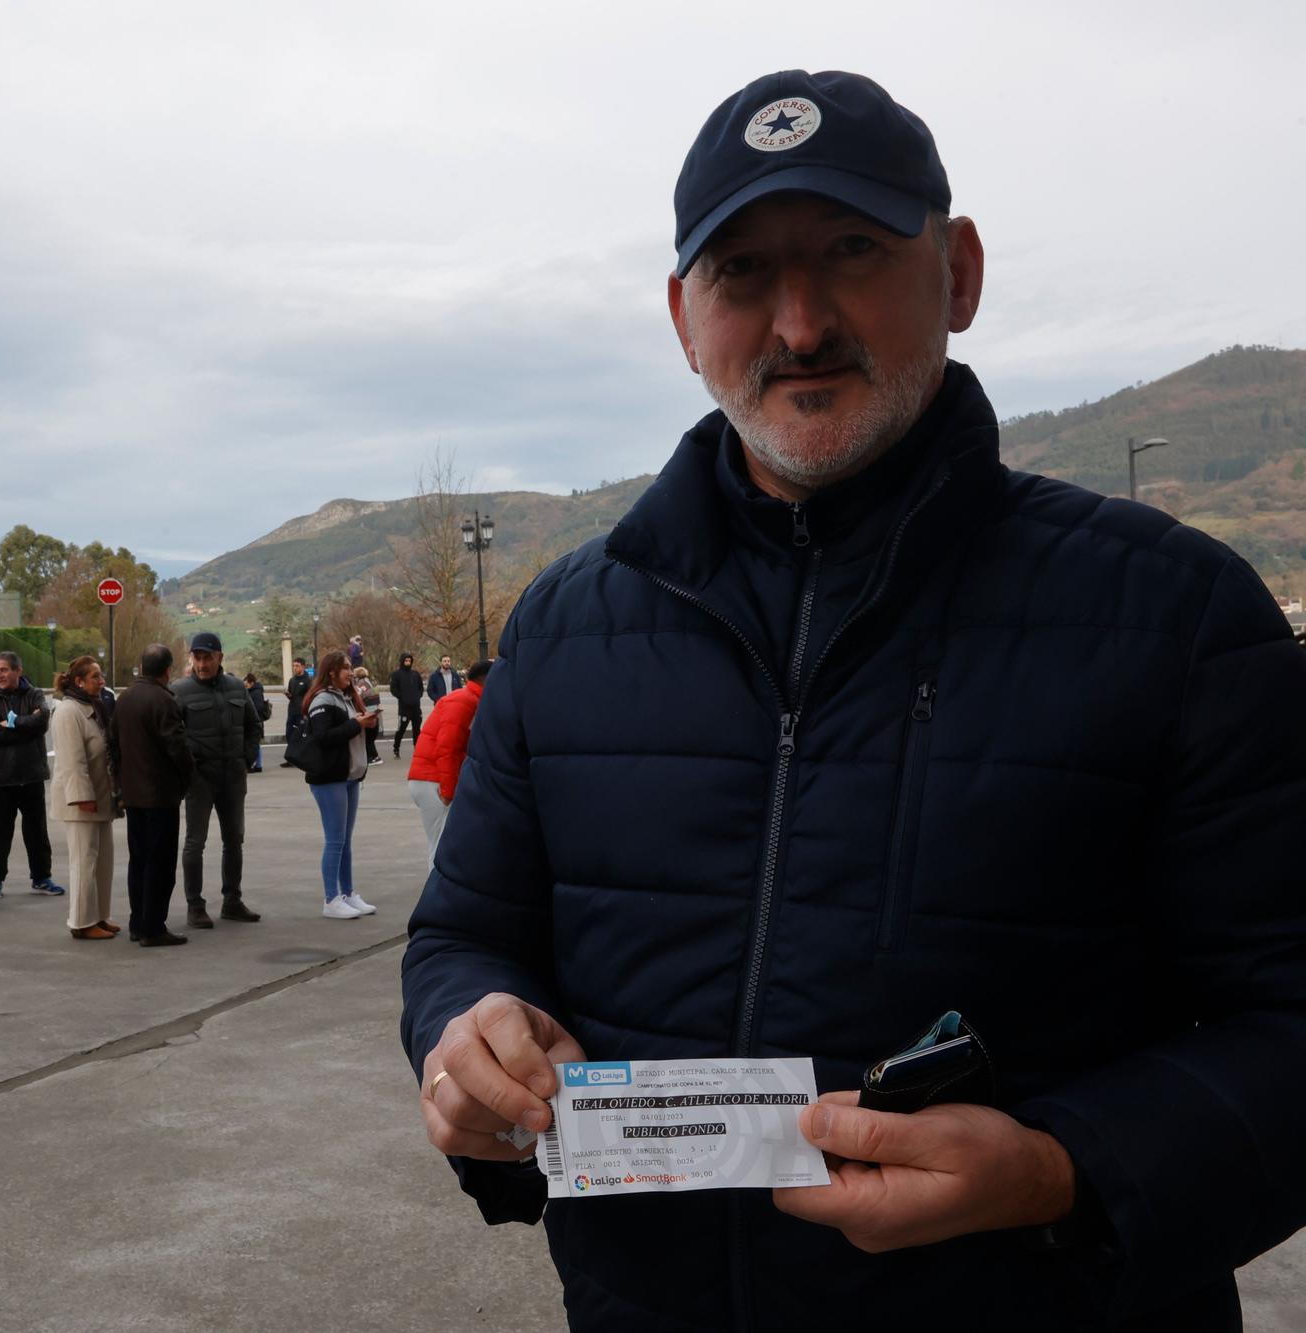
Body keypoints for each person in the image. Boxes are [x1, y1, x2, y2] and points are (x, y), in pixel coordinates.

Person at [399, 69, 1306, 1332]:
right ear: (679, 313)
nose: (799, 321)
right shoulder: (565, 626)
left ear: (960, 272)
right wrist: (458, 1036)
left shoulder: (1179, 618)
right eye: (740, 273)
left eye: (850, 251)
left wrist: (1061, 1171)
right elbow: (462, 931)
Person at [170, 630, 263, 930]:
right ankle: (195, 906)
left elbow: (253, 725)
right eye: (197, 658)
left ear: (219, 657)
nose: (201, 664)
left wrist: (246, 757)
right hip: (200, 780)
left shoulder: (237, 687)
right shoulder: (180, 691)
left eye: (207, 657)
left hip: (233, 778)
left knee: (234, 840)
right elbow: (172, 735)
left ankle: (232, 901)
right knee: (195, 842)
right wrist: (190, 766)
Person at [113, 643, 193, 947]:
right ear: (167, 670)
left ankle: (138, 922)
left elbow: (113, 742)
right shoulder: (164, 700)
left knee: (139, 860)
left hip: (133, 794)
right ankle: (153, 926)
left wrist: (121, 781)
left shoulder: (125, 698)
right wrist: (187, 777)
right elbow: (177, 747)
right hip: (160, 794)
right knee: (160, 864)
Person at [299, 651, 378, 920]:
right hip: (330, 777)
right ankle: (331, 898)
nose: (350, 671)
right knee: (335, 840)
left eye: (350, 667)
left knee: (344, 841)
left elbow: (356, 734)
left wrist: (369, 724)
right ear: (330, 671)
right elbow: (323, 737)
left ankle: (347, 893)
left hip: (350, 776)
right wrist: (355, 724)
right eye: (344, 668)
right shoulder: (322, 700)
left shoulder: (348, 697)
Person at [0, 651, 64, 900]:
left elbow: (43, 723)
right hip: (1, 778)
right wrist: (27, 724)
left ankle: (41, 878)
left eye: (4, 670)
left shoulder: (35, 694)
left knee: (37, 831)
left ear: (18, 670)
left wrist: (12, 724)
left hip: (31, 775)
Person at [50, 655, 121, 941]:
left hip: (101, 797)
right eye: (95, 677)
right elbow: (72, 762)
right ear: (79, 681)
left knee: (103, 860)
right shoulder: (68, 711)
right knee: (84, 861)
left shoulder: (93, 706)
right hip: (81, 801)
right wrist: (82, 798)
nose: (101, 681)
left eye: (101, 676)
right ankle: (81, 921)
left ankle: (100, 915)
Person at [405, 658, 489, 857]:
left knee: (442, 845)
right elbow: (447, 748)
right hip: (433, 781)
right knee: (442, 848)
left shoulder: (468, 699)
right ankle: (437, 888)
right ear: (488, 680)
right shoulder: (465, 702)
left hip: (431, 779)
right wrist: (448, 791)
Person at [388, 652, 425, 758]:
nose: (408, 662)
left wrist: (418, 696)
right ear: (402, 661)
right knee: (401, 729)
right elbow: (393, 689)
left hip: (416, 708)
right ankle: (396, 748)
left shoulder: (415, 674)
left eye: (409, 661)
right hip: (404, 708)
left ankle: (417, 750)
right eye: (406, 661)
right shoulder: (396, 674)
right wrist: (403, 697)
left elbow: (421, 687)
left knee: (417, 730)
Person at [280, 657, 311, 766]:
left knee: (301, 735)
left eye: (297, 666)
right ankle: (291, 758)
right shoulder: (292, 680)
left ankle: (303, 758)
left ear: (303, 666)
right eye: (293, 666)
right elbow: (293, 696)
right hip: (292, 711)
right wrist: (289, 695)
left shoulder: (308, 680)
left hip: (302, 712)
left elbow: (310, 696)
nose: (294, 668)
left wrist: (307, 711)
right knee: (289, 734)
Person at [353, 666, 384, 766]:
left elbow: (356, 696)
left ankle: (373, 757)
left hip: (368, 713)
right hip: (375, 712)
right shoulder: (371, 683)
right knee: (370, 737)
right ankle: (373, 756)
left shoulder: (360, 685)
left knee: (367, 738)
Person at [242, 670, 270, 774]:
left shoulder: (256, 693)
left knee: (255, 744)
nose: (246, 686)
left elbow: (258, 708)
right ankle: (257, 764)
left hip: (256, 722)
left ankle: (257, 765)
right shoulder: (252, 692)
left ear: (252, 683)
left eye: (247, 684)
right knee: (255, 743)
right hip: (254, 721)